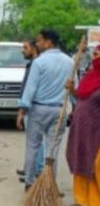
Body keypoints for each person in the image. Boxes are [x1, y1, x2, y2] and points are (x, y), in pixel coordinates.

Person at [18, 29, 73, 191]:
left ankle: (29, 182)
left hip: (38, 109)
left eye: (39, 41)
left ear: (48, 42)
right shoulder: (69, 61)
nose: (38, 44)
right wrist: (74, 107)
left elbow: (30, 89)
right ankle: (49, 183)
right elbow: (73, 87)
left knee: (32, 146)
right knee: (52, 150)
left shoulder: (39, 62)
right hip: (59, 110)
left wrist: (22, 111)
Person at [66, 44, 100, 206]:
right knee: (80, 159)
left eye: (97, 54)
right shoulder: (91, 76)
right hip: (81, 127)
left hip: (97, 128)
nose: (94, 57)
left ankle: (97, 203)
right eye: (93, 53)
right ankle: (82, 200)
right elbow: (80, 96)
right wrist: (71, 89)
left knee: (97, 165)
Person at [16, 39, 45, 181]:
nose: (23, 50)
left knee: (35, 142)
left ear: (34, 48)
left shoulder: (37, 65)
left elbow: (31, 88)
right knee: (32, 142)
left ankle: (36, 171)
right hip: (29, 105)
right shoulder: (32, 64)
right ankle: (30, 169)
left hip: (32, 107)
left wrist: (23, 108)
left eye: (25, 47)